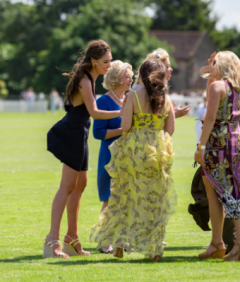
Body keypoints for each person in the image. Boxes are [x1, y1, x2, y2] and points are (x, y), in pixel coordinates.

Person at [44, 40, 124, 259]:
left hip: (80, 134)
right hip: (71, 133)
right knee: (67, 186)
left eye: (110, 61)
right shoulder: (85, 80)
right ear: (93, 61)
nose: (109, 65)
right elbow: (95, 112)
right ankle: (53, 239)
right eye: (106, 61)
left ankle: (72, 237)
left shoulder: (91, 78)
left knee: (81, 185)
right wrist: (123, 113)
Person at [90, 59, 176, 262]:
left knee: (125, 195)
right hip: (158, 150)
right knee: (155, 199)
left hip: (134, 151)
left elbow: (126, 125)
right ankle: (155, 249)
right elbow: (170, 129)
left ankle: (119, 245)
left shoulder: (133, 96)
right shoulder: (166, 98)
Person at [194, 51, 240, 261]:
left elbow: (210, 117)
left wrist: (201, 147)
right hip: (237, 141)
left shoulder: (216, 87)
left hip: (218, 143)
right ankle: (218, 243)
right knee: (232, 192)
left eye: (215, 63)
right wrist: (210, 70)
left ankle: (238, 244)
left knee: (219, 196)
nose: (211, 66)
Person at [93, 60, 133, 253]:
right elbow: (98, 133)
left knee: (125, 200)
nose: (131, 80)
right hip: (110, 158)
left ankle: (120, 240)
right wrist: (122, 130)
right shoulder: (103, 101)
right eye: (127, 77)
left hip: (127, 158)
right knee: (109, 200)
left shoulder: (129, 98)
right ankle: (104, 242)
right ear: (116, 79)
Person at [132, 48, 191, 118]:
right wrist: (173, 115)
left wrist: (168, 112)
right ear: (157, 68)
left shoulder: (148, 87)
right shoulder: (146, 89)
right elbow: (150, 122)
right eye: (167, 66)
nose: (171, 69)